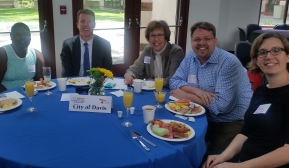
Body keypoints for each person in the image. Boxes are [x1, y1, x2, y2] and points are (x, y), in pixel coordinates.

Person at [203, 32, 289, 168]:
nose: (269, 56)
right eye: (262, 52)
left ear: (288, 56)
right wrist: (223, 157)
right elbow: (246, 132)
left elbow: (287, 153)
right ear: (256, 60)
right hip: (244, 161)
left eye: (276, 50)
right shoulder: (261, 91)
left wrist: (238, 167)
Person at [169, 21, 253, 151]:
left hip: (230, 121)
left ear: (215, 41)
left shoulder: (229, 63)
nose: (201, 43)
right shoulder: (191, 55)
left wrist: (185, 95)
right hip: (202, 115)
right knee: (178, 145)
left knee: (212, 160)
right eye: (197, 39)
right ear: (191, 42)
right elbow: (174, 81)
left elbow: (222, 106)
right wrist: (195, 91)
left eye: (207, 39)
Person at [0, 22, 45, 94]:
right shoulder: (1, 54)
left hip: (30, 95)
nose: (22, 37)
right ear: (11, 36)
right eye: (18, 34)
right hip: (5, 98)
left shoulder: (37, 55)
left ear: (30, 36)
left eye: (26, 34)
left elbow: (39, 81)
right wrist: (13, 97)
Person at [124, 20, 184, 87]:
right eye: (152, 35)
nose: (156, 39)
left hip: (169, 91)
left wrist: (155, 82)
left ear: (166, 37)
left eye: (160, 35)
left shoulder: (175, 51)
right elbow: (133, 70)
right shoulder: (148, 50)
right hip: (151, 90)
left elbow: (173, 79)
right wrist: (129, 76)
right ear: (148, 38)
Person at [60, 9, 112, 77]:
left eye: (89, 21)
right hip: (75, 84)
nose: (86, 24)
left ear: (94, 24)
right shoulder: (68, 45)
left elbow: (108, 73)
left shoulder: (105, 45)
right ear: (77, 25)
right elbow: (66, 73)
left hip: (96, 84)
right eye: (82, 21)